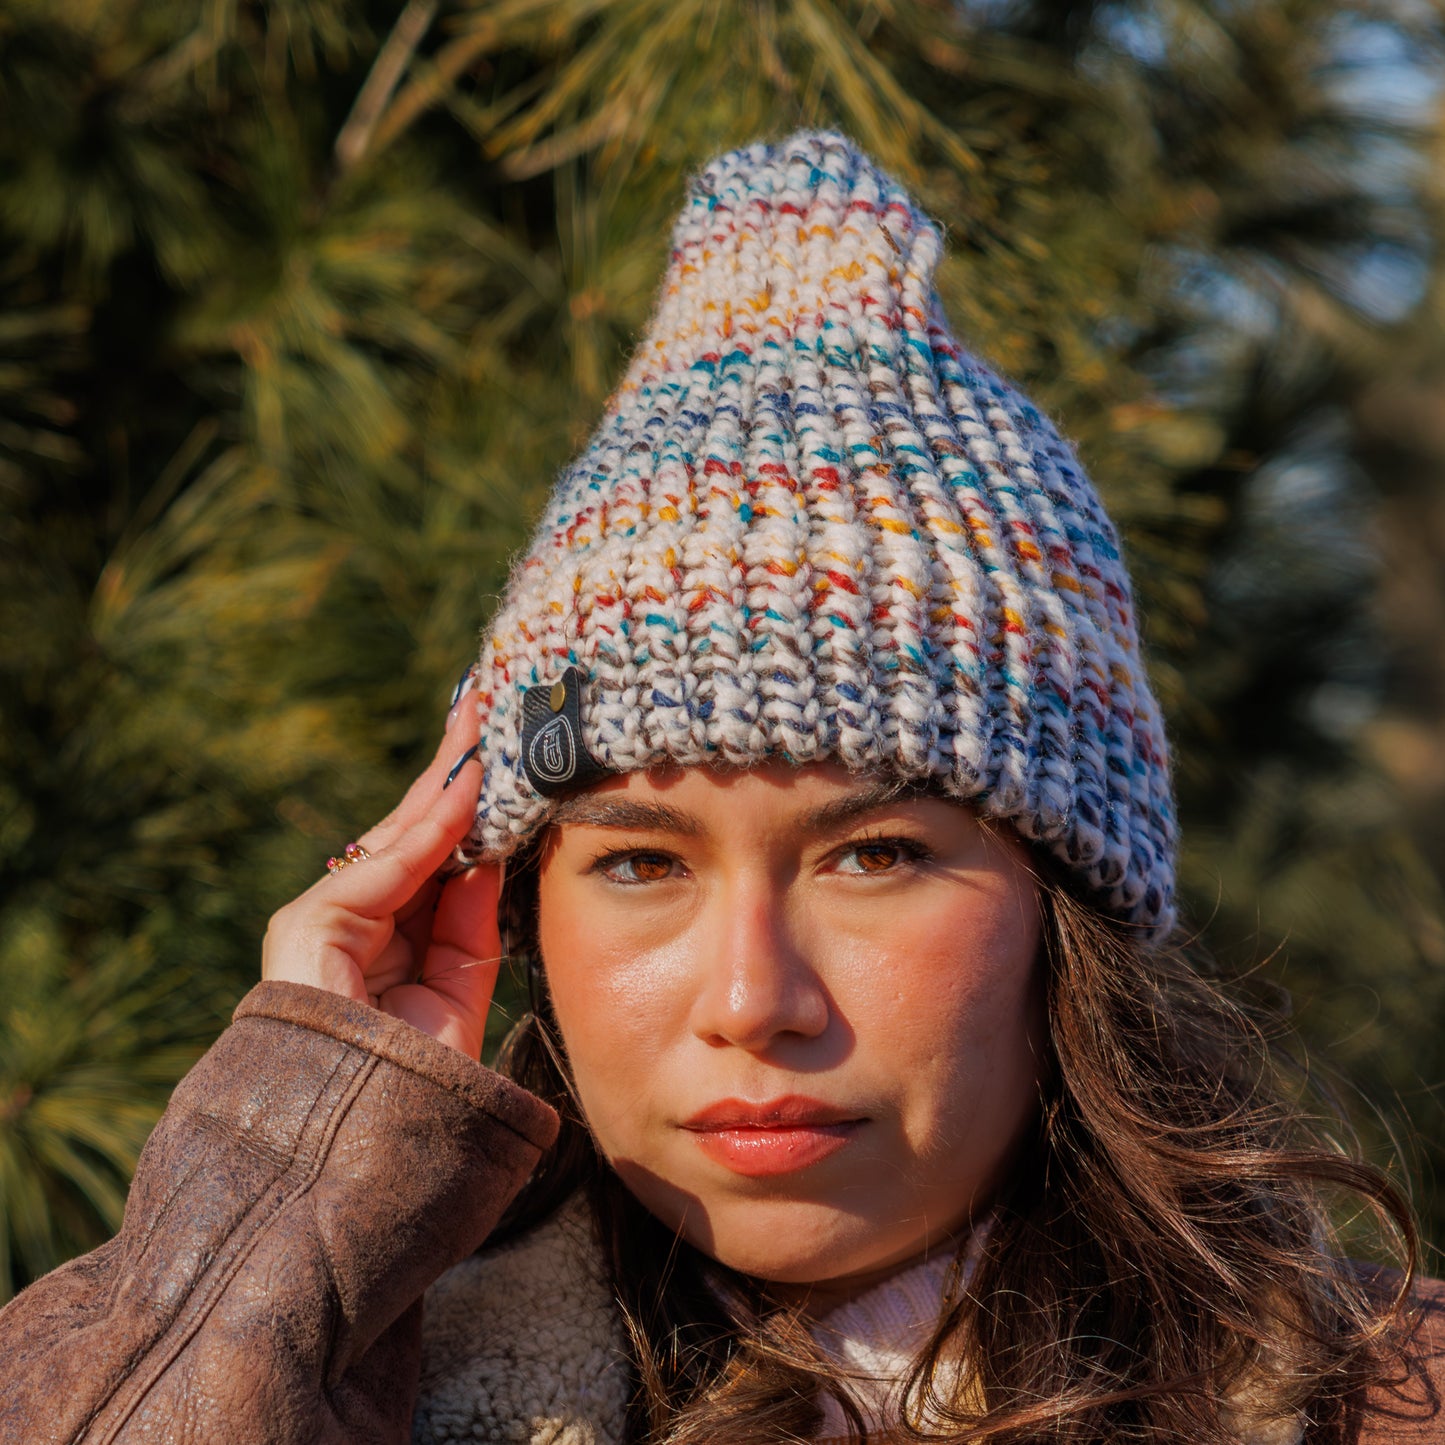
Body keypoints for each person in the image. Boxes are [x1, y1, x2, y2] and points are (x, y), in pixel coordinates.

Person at [1, 131, 1441, 1445]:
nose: (751, 998)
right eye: (640, 861)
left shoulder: (1380, 1400)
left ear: (1062, 905)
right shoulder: (341, 1391)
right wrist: (285, 1196)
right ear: (508, 907)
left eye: (871, 853)